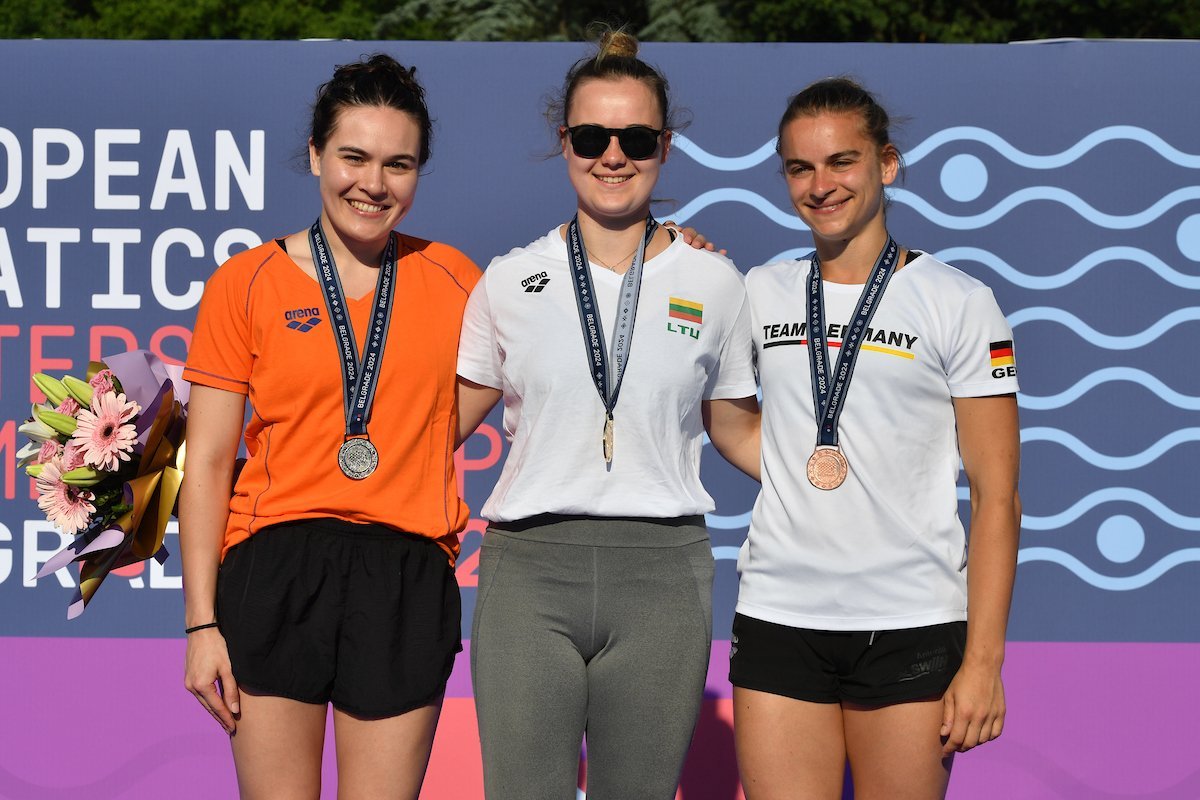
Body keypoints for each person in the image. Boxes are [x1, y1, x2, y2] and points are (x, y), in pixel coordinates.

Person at [455, 30, 761, 800]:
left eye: (637, 139)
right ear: (565, 142)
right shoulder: (508, 280)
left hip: (662, 573)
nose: (613, 156)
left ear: (666, 146)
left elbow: (738, 429)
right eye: (593, 137)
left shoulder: (716, 282)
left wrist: (854, 482)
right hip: (530, 572)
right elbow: (434, 427)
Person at [179, 54, 480, 799]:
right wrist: (200, 625)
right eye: (353, 157)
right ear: (315, 154)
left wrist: (669, 245)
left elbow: (566, 297)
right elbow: (208, 461)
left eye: (398, 164)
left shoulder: (458, 280)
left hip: (405, 576)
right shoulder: (245, 281)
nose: (373, 184)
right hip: (275, 569)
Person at [731, 77, 1021, 799]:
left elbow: (998, 497)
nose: (820, 185)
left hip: (910, 618)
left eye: (842, 161)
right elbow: (733, 422)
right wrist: (801, 475)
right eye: (800, 168)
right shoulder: (758, 291)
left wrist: (983, 663)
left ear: (886, 164)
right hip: (779, 611)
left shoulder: (959, 301)